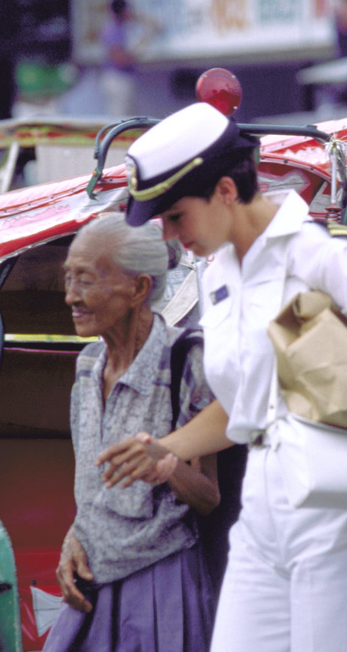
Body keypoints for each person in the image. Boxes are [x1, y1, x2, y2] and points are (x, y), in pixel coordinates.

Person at [97, 102, 347, 651]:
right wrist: (164, 450)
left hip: (342, 501)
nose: (170, 235)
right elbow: (252, 408)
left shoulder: (318, 260)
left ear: (224, 190)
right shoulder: (221, 276)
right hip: (264, 504)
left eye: (176, 216)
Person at [42, 213, 221, 652]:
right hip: (91, 583)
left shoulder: (186, 360)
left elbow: (208, 496)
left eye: (84, 281)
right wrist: (74, 536)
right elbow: (91, 484)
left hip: (160, 585)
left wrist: (165, 461)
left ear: (139, 288)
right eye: (69, 280)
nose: (70, 297)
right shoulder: (87, 366)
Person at [100, 0, 138, 117]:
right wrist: (135, 55)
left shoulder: (119, 28)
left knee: (122, 114)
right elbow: (119, 59)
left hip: (117, 78)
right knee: (119, 116)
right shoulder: (113, 30)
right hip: (117, 78)